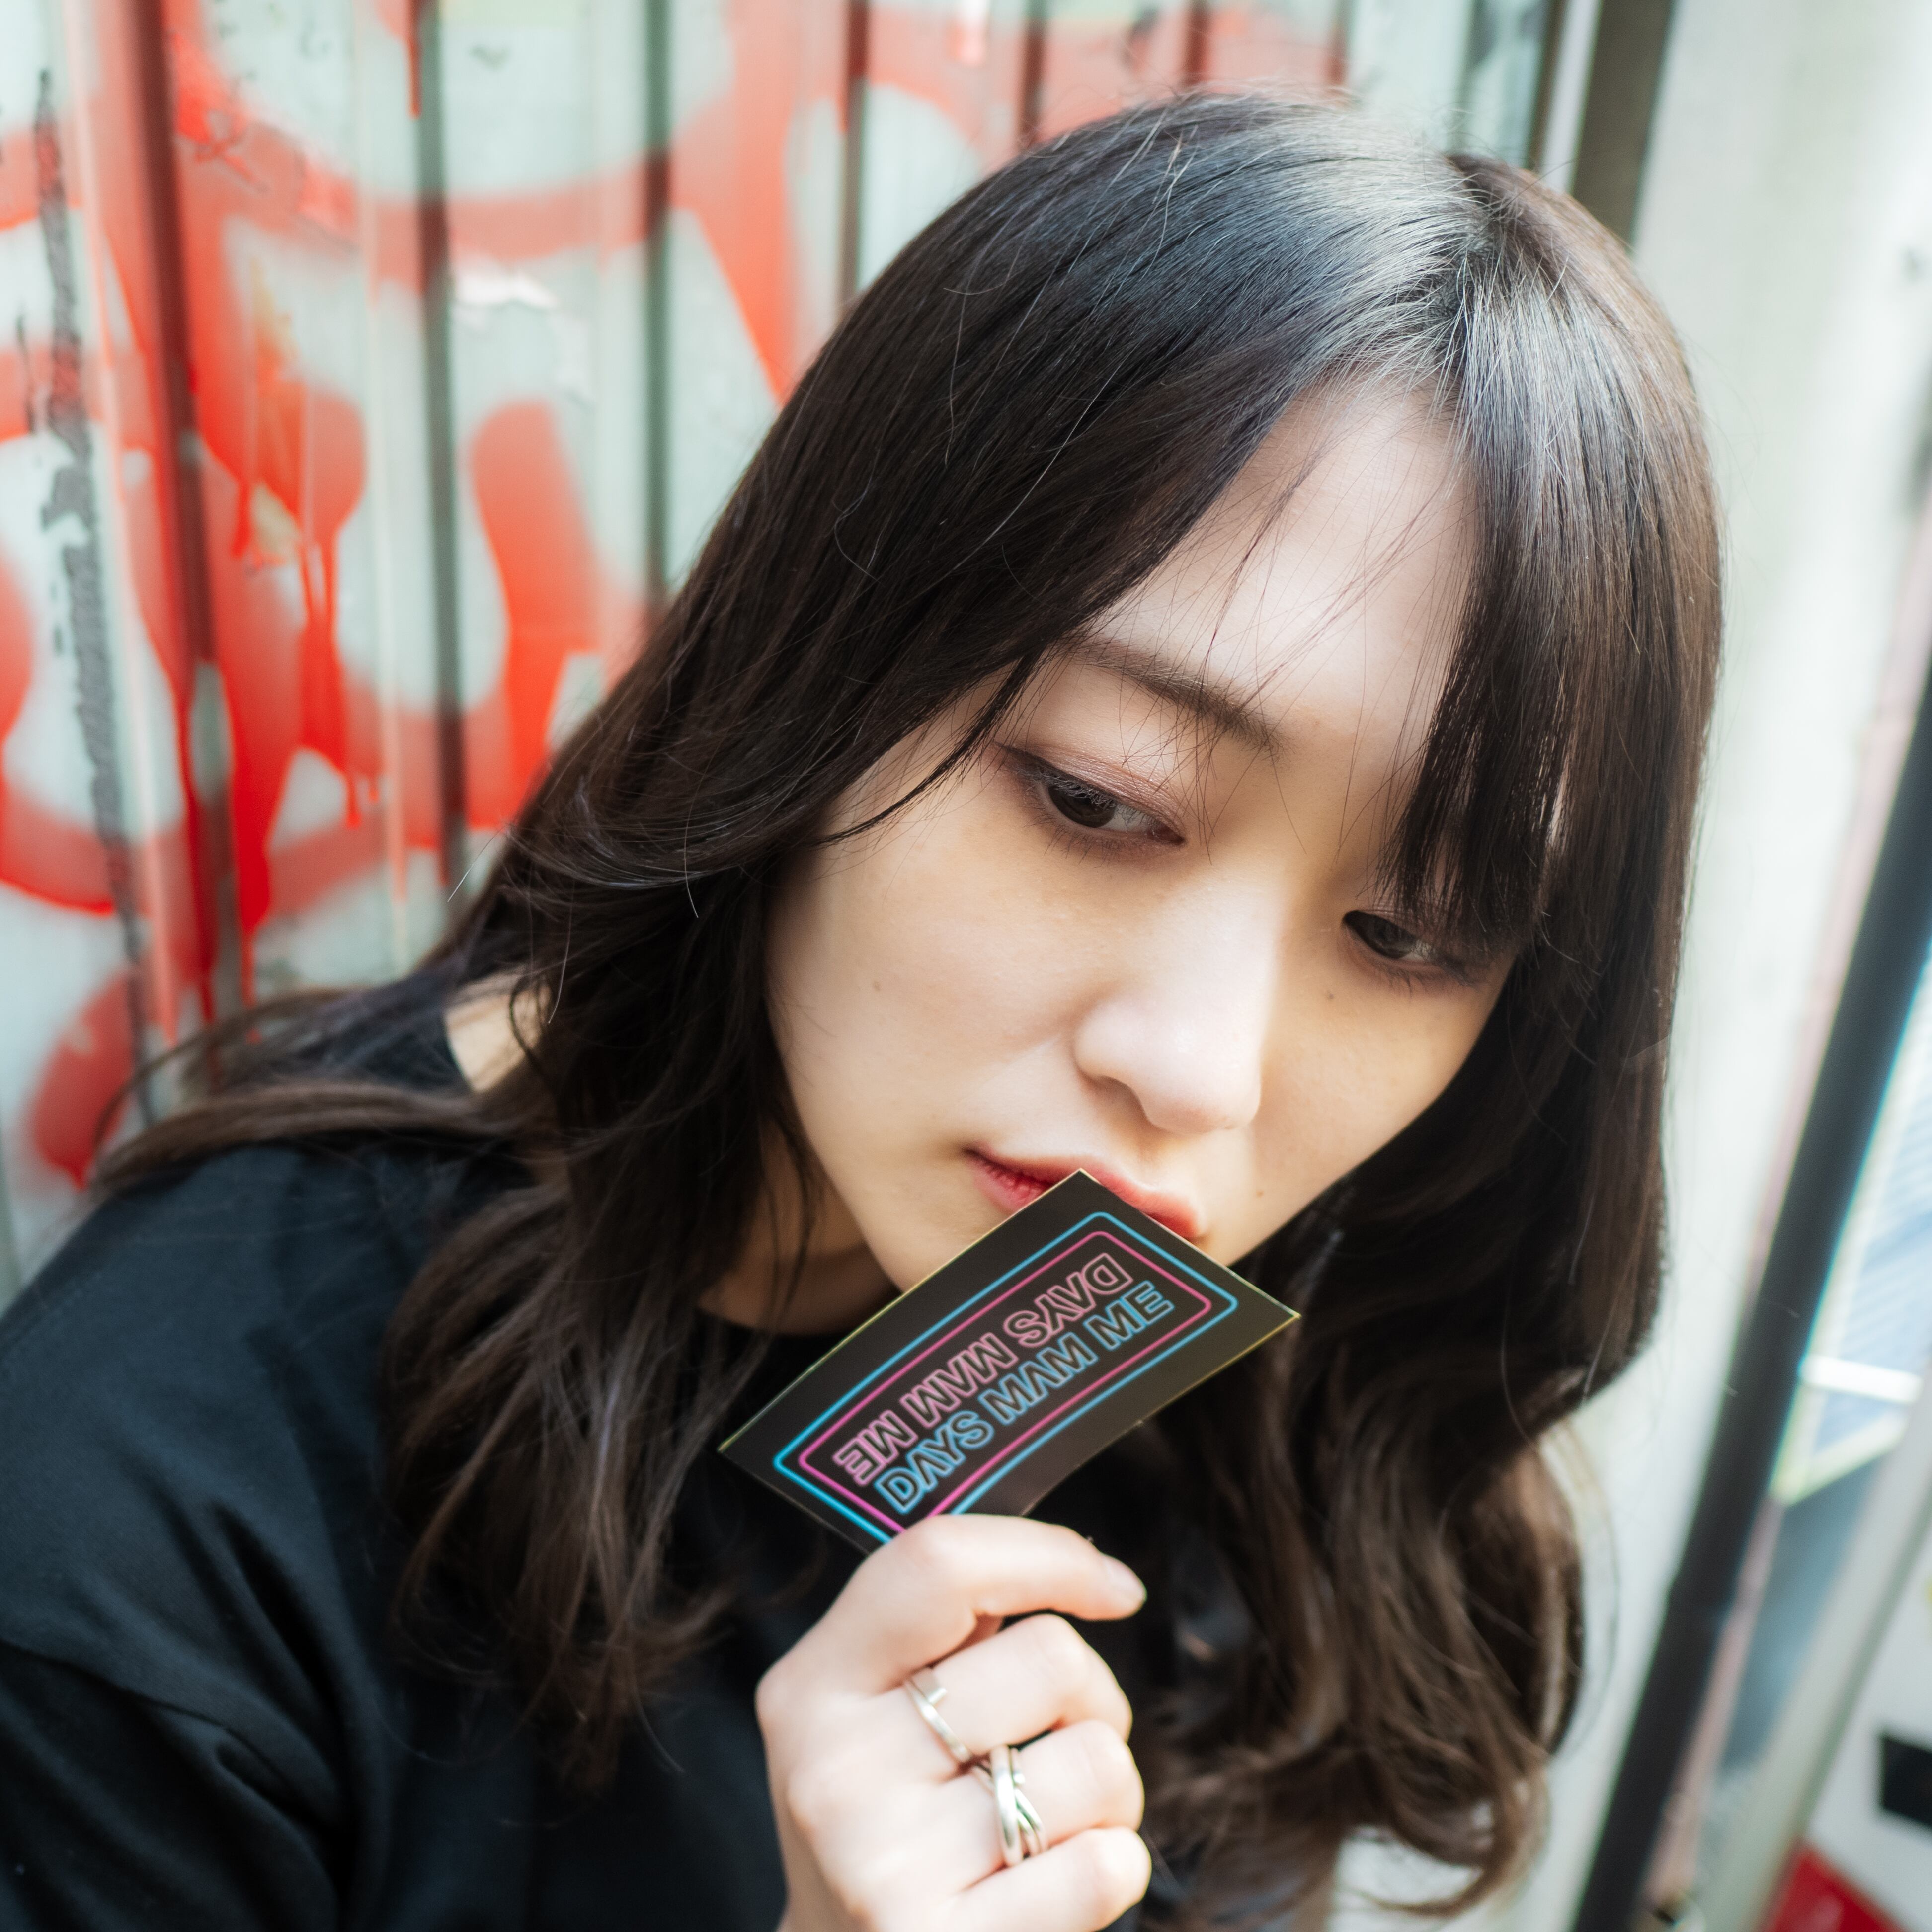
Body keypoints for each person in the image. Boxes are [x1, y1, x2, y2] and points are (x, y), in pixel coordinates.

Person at [0, 94, 1719, 1932]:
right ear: (823, 672)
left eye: (1409, 933)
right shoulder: (146, 1551)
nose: (1201, 1071)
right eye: (1097, 799)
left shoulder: (1325, 1371)